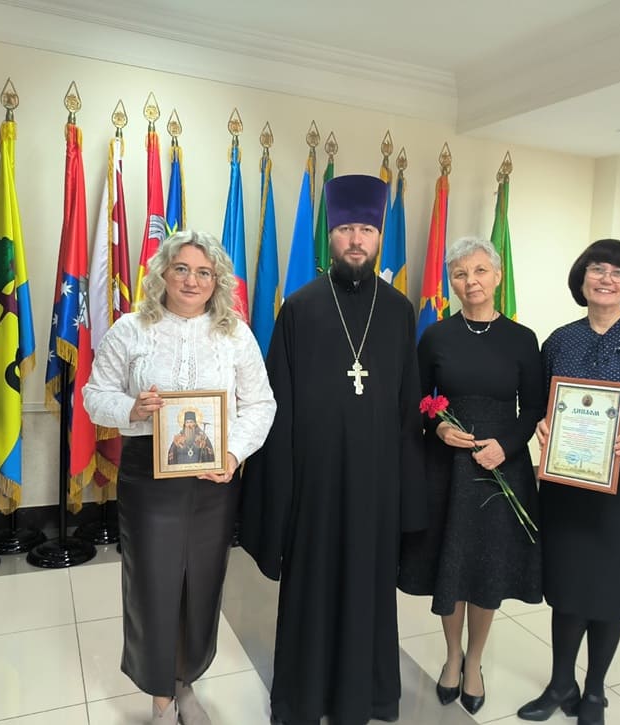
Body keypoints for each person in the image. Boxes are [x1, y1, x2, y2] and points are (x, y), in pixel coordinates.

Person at [240, 174, 426, 725]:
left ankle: (365, 698)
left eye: (366, 229)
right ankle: (301, 699)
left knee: (369, 590)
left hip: (377, 486)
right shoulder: (299, 308)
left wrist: (407, 498)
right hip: (314, 485)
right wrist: (280, 494)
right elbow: (278, 406)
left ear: (379, 237)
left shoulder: (399, 311)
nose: (356, 240)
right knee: (312, 589)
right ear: (331, 237)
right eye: (346, 229)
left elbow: (408, 407)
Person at [83, 230, 276, 725]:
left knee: (202, 583)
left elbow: (261, 403)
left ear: (217, 281)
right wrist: (132, 407)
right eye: (182, 269)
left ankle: (185, 681)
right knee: (153, 583)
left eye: (204, 272)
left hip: (214, 481)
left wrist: (233, 453)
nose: (192, 280)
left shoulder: (236, 335)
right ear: (163, 274)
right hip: (149, 481)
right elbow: (94, 396)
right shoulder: (131, 330)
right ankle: (160, 698)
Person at [517, 239, 620, 725]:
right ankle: (560, 683)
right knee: (568, 584)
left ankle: (594, 691)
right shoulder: (560, 341)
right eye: (597, 269)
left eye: (618, 272)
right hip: (567, 485)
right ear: (582, 278)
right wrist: (542, 425)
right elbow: (541, 406)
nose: (606, 279)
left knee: (611, 587)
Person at [398, 236, 545, 716]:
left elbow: (535, 407)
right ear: (451, 282)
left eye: (480, 271)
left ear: (497, 276)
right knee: (452, 562)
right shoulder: (436, 336)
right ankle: (452, 656)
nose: (471, 281)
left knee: (487, 566)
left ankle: (475, 660)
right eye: (460, 274)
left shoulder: (522, 339)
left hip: (502, 464)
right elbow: (419, 400)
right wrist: (439, 428)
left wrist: (508, 445)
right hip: (447, 468)